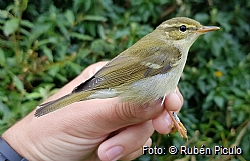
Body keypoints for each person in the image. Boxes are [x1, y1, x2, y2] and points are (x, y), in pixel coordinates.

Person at [1, 61, 183, 161]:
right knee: (148, 106)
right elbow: (131, 71)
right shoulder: (172, 52)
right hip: (125, 84)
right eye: (184, 29)